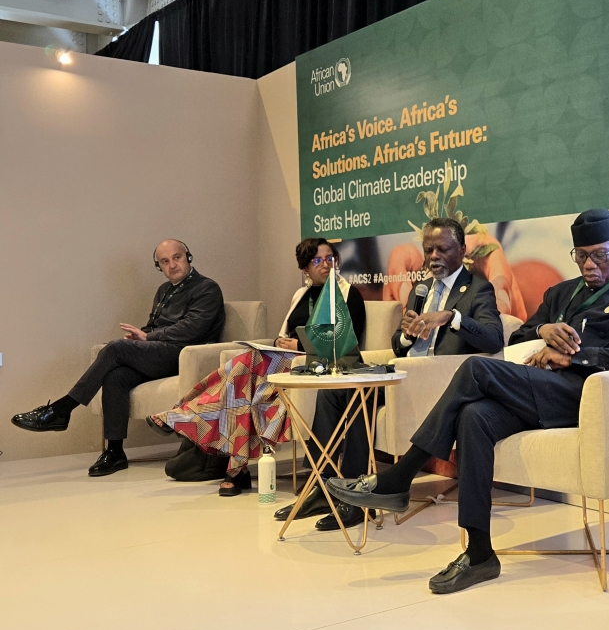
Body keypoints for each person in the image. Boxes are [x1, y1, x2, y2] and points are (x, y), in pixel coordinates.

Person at [326, 209, 609, 593]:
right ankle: (480, 553)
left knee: (476, 368)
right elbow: (517, 338)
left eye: (599, 256)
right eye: (581, 255)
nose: (589, 265)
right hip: (539, 389)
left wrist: (575, 357)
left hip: (585, 395)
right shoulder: (560, 293)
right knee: (474, 416)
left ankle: (399, 476)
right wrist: (543, 329)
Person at [274, 217, 505, 528]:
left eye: (442, 249)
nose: (433, 256)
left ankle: (356, 502)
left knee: (361, 397)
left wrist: (451, 317)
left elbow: (494, 338)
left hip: (440, 384)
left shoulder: (478, 288)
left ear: (462, 250)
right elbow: (398, 345)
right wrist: (408, 335)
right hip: (404, 377)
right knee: (336, 390)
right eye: (428, 250)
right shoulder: (422, 289)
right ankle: (323, 484)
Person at [147, 238, 366, 496]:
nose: (326, 265)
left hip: (318, 366)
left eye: (330, 259)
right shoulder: (301, 295)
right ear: (305, 268)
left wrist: (301, 345)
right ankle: (232, 465)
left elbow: (347, 342)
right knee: (243, 387)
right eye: (317, 260)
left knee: (247, 367)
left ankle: (187, 415)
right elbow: (284, 333)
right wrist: (279, 342)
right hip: (287, 362)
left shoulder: (348, 294)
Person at [10, 240, 224, 476]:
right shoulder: (164, 290)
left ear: (188, 257)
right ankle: (115, 452)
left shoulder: (207, 288)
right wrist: (140, 336)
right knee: (116, 376)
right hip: (161, 352)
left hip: (187, 355)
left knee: (115, 348)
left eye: (177, 257)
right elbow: (155, 326)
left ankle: (62, 410)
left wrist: (147, 337)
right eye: (165, 261)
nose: (172, 265)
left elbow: (193, 329)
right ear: (159, 266)